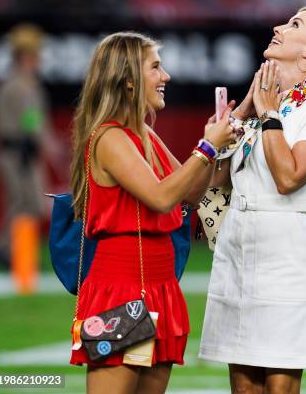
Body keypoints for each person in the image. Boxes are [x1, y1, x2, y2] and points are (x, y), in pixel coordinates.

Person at [198, 6, 306, 393]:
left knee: (279, 387)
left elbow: (288, 177)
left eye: (295, 24)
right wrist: (234, 121)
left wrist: (268, 115)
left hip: (287, 258)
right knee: (243, 386)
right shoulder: (263, 101)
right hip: (238, 246)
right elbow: (212, 185)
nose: (278, 26)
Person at [69, 31, 235, 393]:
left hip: (159, 287)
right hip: (122, 290)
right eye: (156, 67)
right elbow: (161, 198)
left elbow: (190, 192)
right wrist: (207, 147)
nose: (166, 77)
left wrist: (215, 142)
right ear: (128, 80)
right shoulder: (110, 137)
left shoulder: (143, 133)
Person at [0, 23, 58, 268]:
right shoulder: (20, 86)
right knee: (25, 203)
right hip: (16, 154)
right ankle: (6, 247)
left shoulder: (19, 84)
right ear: (27, 57)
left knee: (25, 204)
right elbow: (32, 121)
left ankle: (16, 252)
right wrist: (49, 144)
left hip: (19, 153)